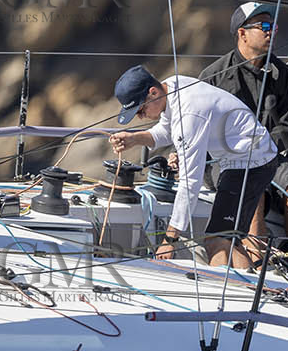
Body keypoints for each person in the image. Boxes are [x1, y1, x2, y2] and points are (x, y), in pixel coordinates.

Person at [108, 65, 278, 270]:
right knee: (228, 237)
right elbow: (167, 130)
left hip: (251, 162)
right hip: (242, 159)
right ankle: (251, 285)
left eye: (140, 110)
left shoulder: (188, 114)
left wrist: (170, 240)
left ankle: (234, 295)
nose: (141, 117)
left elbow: (190, 183)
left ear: (153, 92)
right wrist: (135, 138)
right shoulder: (172, 86)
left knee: (217, 240)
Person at [201, 1, 288, 260]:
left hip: (270, 154)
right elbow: (195, 123)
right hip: (222, 158)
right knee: (251, 178)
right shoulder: (213, 75)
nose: (271, 31)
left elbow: (286, 127)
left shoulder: (286, 76)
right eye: (264, 26)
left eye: (274, 26)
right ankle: (257, 256)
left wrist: (261, 152)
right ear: (242, 33)